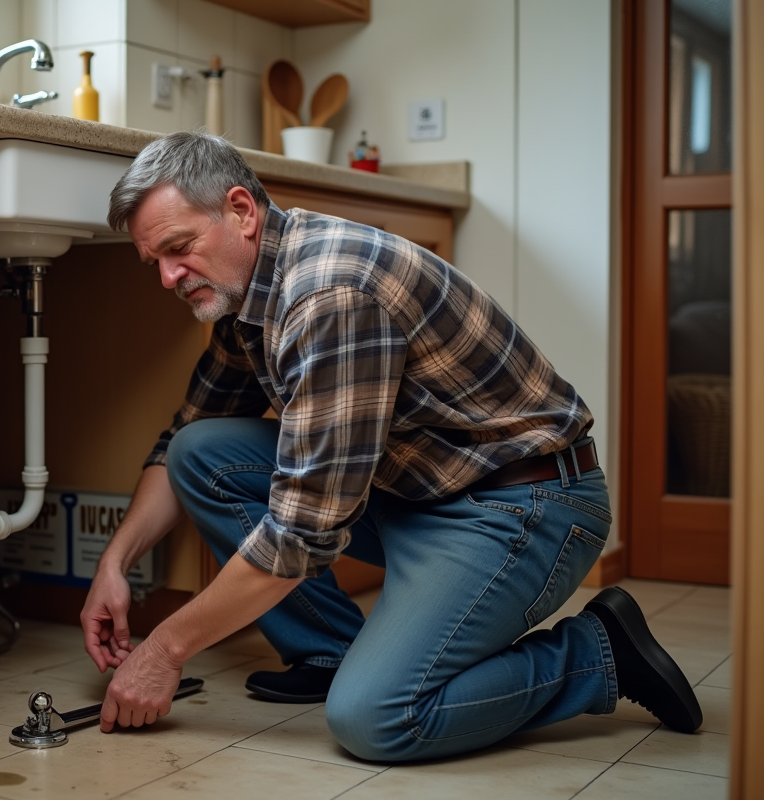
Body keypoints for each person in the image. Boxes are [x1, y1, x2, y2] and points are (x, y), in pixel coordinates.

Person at [79, 131, 702, 762]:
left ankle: (599, 654)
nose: (166, 277)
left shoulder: (329, 294)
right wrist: (115, 562)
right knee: (200, 450)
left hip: (524, 505)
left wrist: (163, 650)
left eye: (178, 249)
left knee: (376, 719)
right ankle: (333, 653)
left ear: (241, 211)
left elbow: (300, 535)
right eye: (153, 260)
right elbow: (181, 435)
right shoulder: (248, 293)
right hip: (418, 492)